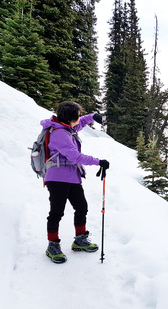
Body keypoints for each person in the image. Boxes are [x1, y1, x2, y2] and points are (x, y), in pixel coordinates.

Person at [40, 101, 109, 264]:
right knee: (57, 212)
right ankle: (53, 245)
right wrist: (98, 161)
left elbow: (81, 123)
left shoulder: (67, 129)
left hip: (71, 176)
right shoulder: (59, 134)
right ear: (70, 118)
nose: (79, 118)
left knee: (81, 207)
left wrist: (92, 117)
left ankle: (79, 240)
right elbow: (75, 157)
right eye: (77, 116)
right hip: (57, 178)